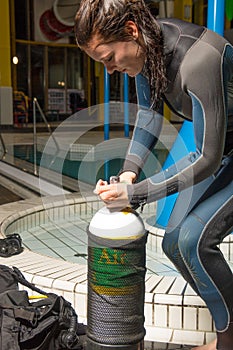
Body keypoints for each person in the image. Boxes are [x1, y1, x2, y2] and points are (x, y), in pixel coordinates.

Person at [74, 1, 233, 349]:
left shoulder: (201, 59)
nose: (111, 70)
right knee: (175, 242)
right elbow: (149, 116)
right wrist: (128, 175)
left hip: (219, 153)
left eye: (109, 59)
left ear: (130, 31)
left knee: (193, 241)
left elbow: (206, 157)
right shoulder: (150, 51)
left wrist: (136, 195)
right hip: (224, 152)